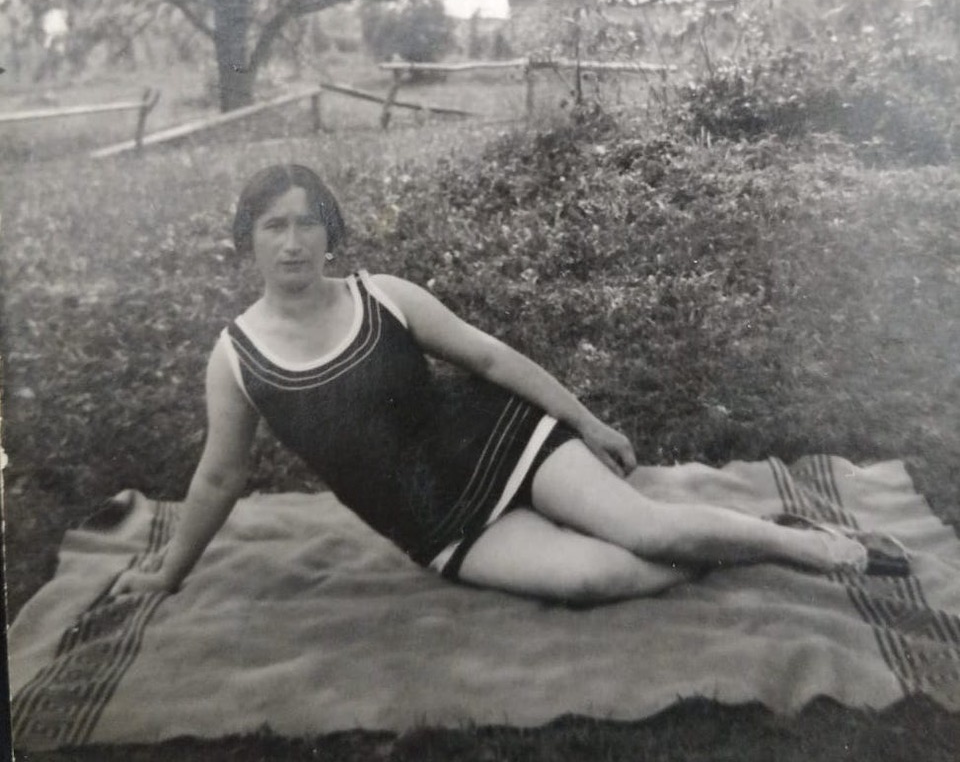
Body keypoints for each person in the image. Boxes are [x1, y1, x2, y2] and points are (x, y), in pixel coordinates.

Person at [112, 163, 875, 606]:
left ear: (330, 233)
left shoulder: (383, 295)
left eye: (308, 223)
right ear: (246, 238)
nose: (293, 241)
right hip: (440, 522)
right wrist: (168, 574)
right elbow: (220, 473)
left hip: (506, 443)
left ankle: (809, 549)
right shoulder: (239, 356)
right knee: (594, 576)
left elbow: (492, 362)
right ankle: (731, 542)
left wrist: (590, 423)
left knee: (651, 531)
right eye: (274, 225)